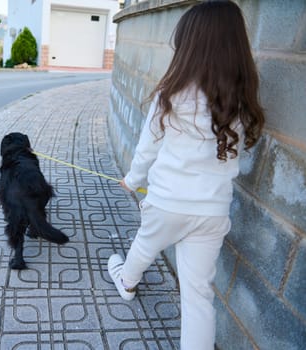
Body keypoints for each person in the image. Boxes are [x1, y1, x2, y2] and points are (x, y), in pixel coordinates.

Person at [106, 1, 265, 349]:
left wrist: (132, 181)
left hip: (166, 203)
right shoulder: (241, 100)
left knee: (144, 246)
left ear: (190, 47)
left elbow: (148, 146)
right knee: (198, 298)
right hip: (212, 211)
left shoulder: (171, 93)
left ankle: (127, 282)